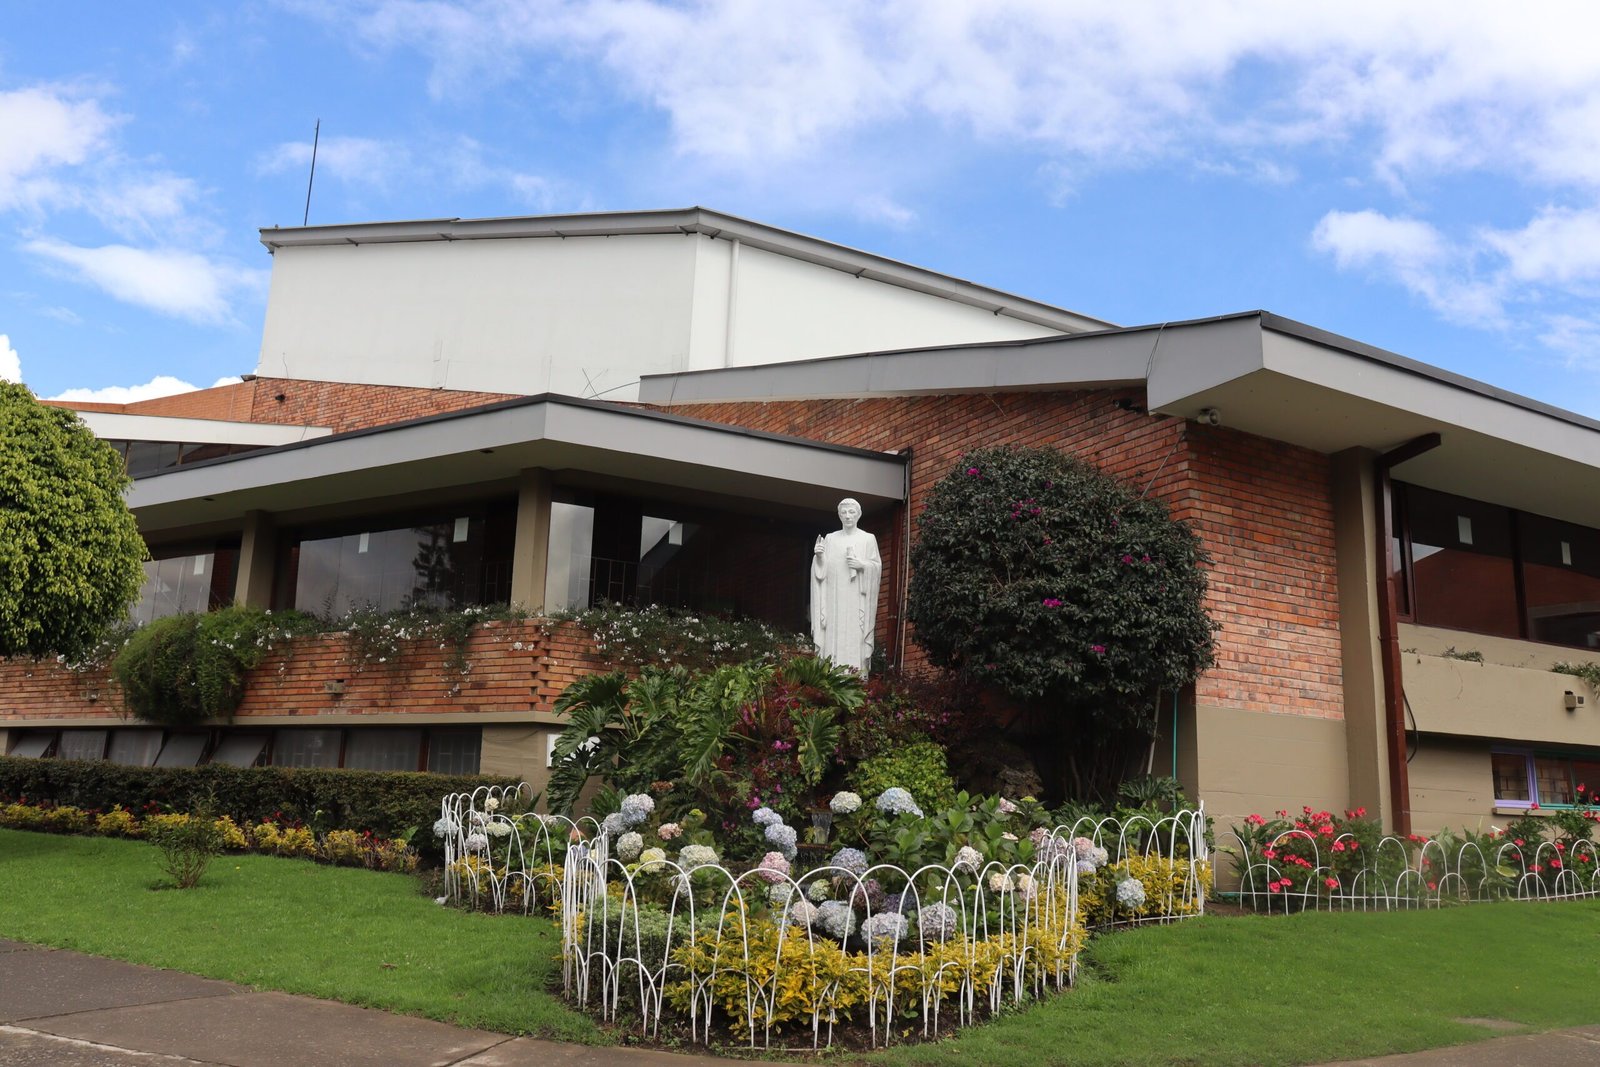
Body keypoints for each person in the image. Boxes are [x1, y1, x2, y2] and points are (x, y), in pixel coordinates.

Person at [809, 498, 881, 675]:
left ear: (858, 514)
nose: (848, 516)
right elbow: (821, 573)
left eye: (851, 512)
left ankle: (855, 674)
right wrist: (819, 557)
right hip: (834, 598)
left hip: (856, 598)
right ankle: (832, 674)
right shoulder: (831, 539)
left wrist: (861, 565)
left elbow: (876, 566)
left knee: (854, 634)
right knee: (834, 634)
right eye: (844, 512)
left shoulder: (868, 539)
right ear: (839, 515)